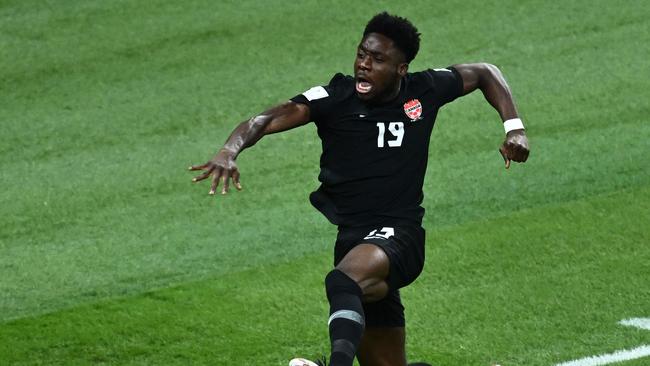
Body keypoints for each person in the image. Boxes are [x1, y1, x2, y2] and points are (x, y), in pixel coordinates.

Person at [189, 12, 529, 366]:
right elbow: (269, 117)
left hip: (400, 234)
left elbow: (485, 72)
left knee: (343, 281)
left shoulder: (423, 90)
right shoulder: (336, 98)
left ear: (401, 69)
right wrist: (230, 149)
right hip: (353, 239)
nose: (363, 65)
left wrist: (514, 127)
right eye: (361, 54)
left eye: (377, 59)